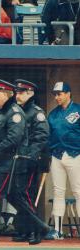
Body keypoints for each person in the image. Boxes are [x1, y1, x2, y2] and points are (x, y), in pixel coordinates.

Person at [0, 78, 50, 245]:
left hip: (16, 161)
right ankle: (39, 227)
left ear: (5, 94)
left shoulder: (16, 113)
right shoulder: (2, 112)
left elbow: (16, 139)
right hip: (7, 161)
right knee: (15, 196)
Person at [11, 79, 50, 244]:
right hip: (18, 160)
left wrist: (29, 156)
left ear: (30, 93)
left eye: (21, 92)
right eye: (16, 92)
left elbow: (41, 137)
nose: (17, 95)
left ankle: (36, 231)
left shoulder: (36, 112)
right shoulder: (17, 111)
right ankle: (25, 230)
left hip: (31, 160)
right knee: (18, 194)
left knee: (26, 195)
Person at [45, 82, 80, 240]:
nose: (57, 97)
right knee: (58, 192)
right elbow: (47, 137)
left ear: (68, 93)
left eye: (60, 93)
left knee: (78, 192)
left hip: (75, 154)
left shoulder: (78, 110)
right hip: (57, 156)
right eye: (55, 94)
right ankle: (57, 231)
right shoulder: (52, 114)